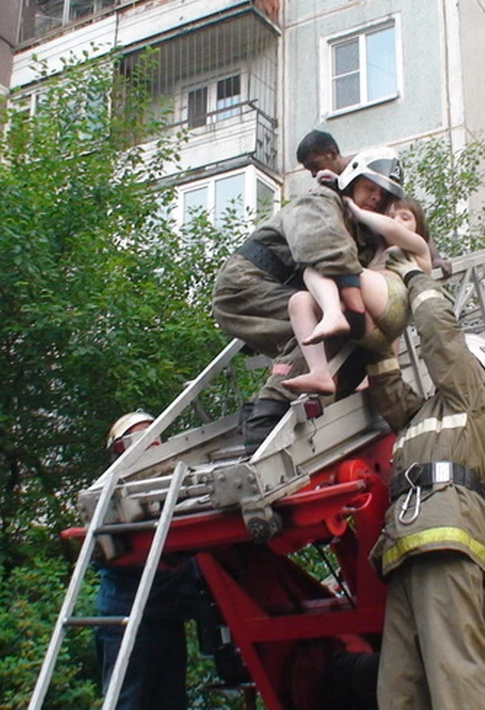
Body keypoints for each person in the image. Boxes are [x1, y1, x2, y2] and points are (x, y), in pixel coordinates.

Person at [363, 252, 485, 709]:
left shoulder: (475, 395)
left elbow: (441, 339)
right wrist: (374, 335)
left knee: (456, 673)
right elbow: (390, 394)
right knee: (400, 686)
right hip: (408, 542)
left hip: (446, 535)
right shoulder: (433, 415)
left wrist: (414, 277)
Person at [211, 147, 405, 452]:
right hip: (248, 285)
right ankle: (267, 420)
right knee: (331, 329)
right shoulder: (322, 202)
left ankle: (269, 410)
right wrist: (354, 303)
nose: (376, 198)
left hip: (275, 287)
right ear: (352, 180)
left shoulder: (361, 231)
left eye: (383, 195)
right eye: (371, 188)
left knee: (349, 345)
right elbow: (320, 244)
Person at [96, 412, 240, 709]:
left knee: (171, 702)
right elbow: (109, 556)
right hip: (129, 621)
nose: (155, 444)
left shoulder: (179, 489)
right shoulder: (112, 497)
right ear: (122, 450)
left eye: (157, 437)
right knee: (129, 701)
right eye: (144, 439)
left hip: (168, 619)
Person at [281, 194, 432, 396]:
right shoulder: (376, 251)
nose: (396, 221)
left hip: (394, 300)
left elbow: (390, 228)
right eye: (391, 215)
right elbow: (392, 333)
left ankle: (333, 313)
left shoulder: (418, 247)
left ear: (419, 225)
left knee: (335, 266)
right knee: (300, 300)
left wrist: (359, 211)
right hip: (374, 327)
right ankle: (319, 372)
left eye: (405, 217)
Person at [297, 130, 453, 278]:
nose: (313, 174)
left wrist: (435, 257)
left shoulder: (367, 167)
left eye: (315, 166)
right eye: (309, 169)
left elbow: (412, 213)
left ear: (332, 154)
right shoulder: (332, 184)